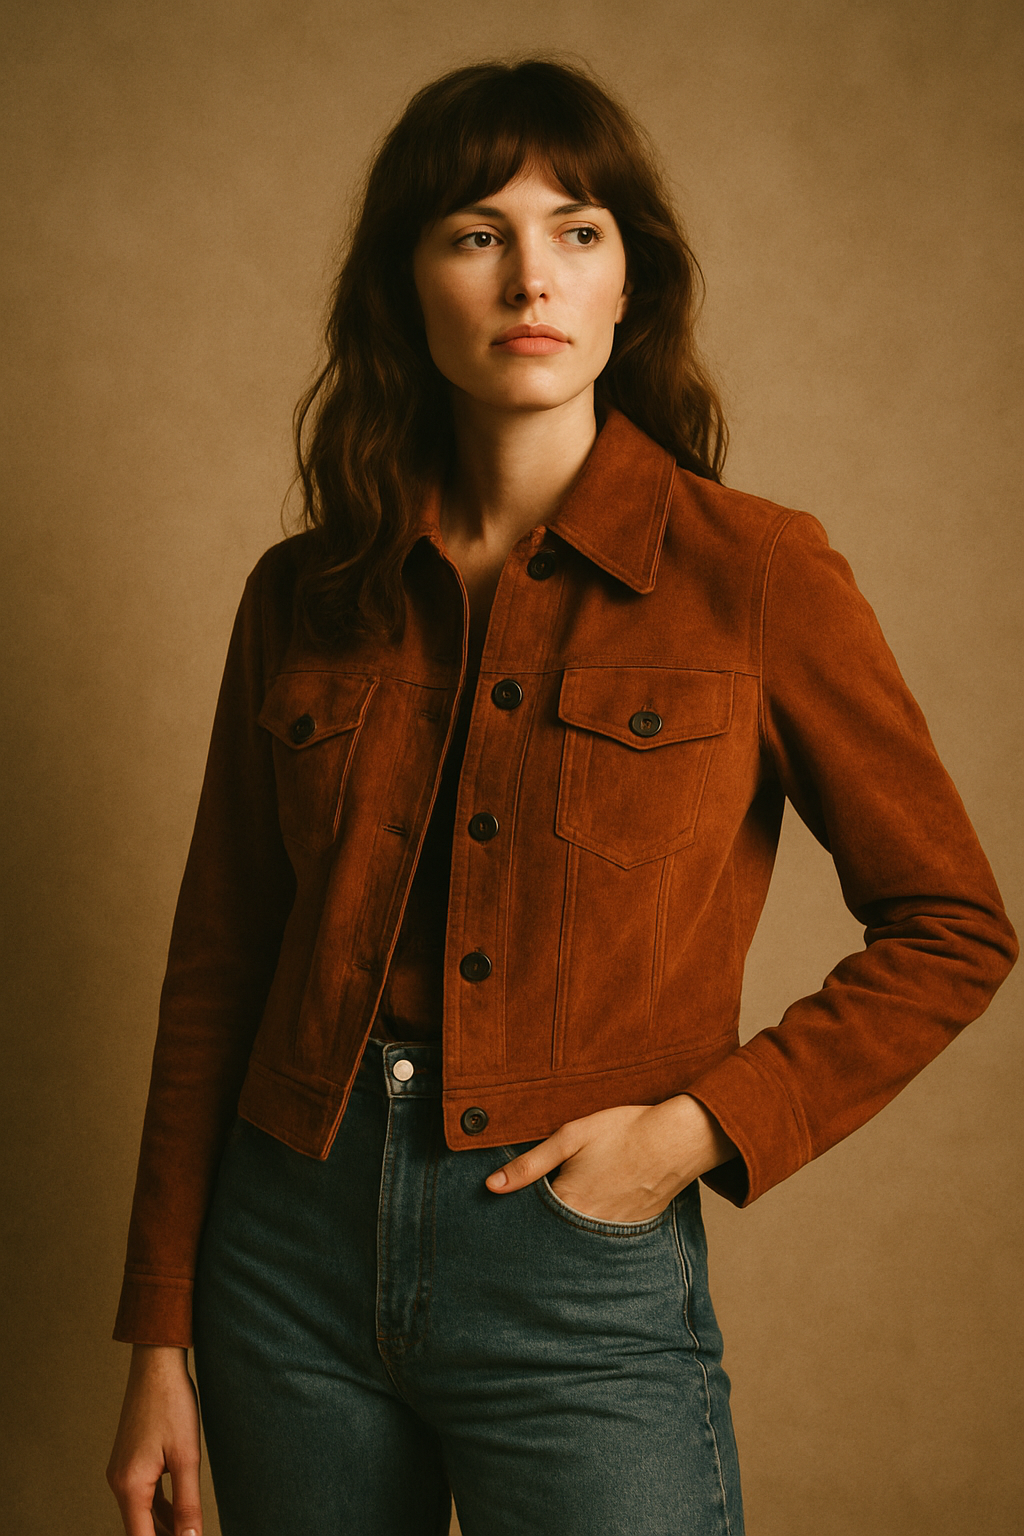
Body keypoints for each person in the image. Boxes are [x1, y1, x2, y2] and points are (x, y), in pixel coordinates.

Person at [105, 56, 1017, 1536]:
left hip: (573, 1266)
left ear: (628, 285)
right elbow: (219, 963)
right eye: (475, 231)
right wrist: (158, 1336)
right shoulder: (303, 595)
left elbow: (954, 925)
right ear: (408, 284)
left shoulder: (758, 575)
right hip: (284, 1260)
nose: (531, 273)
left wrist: (691, 1133)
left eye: (577, 229)